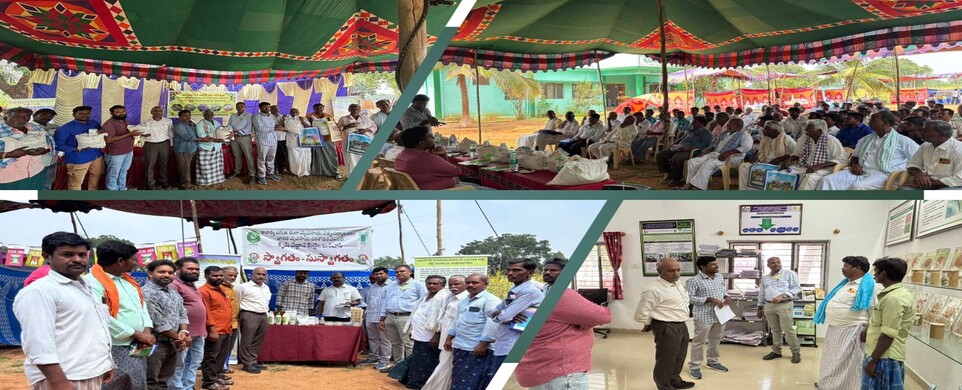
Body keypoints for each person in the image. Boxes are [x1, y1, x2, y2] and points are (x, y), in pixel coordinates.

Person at [14, 232, 113, 389]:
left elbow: (93, 330)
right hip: (65, 377)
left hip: (89, 373)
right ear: (47, 257)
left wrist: (105, 364)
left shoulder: (88, 287)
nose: (77, 259)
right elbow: (37, 342)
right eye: (67, 254)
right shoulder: (40, 291)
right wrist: (59, 382)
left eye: (82, 254)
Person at [515, 259, 612, 390]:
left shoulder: (538, 292)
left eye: (553, 270)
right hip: (561, 371)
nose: (548, 272)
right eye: (546, 270)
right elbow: (605, 316)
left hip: (538, 366)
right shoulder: (561, 295)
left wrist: (585, 320)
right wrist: (587, 320)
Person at [84, 240, 155, 390]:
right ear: (120, 261)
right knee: (118, 383)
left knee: (137, 382)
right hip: (114, 345)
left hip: (137, 344)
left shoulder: (129, 281)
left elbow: (142, 308)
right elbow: (100, 316)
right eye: (134, 259)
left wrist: (146, 331)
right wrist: (136, 334)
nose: (136, 263)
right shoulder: (92, 283)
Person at [814, 256, 879, 390]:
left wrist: (868, 330)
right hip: (836, 329)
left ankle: (846, 387)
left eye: (845, 266)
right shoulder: (846, 284)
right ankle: (828, 384)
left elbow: (875, 311)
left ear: (857, 268)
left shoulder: (870, 286)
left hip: (853, 330)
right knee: (832, 360)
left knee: (848, 362)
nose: (842, 269)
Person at [634, 258, 694, 390]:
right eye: (671, 271)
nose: (676, 273)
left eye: (678, 270)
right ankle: (664, 386)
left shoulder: (677, 284)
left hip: (681, 325)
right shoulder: (653, 289)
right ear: (659, 271)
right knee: (666, 360)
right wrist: (650, 323)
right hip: (666, 326)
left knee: (679, 356)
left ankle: (675, 380)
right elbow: (640, 314)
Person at [819, 112, 919, 190]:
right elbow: (855, 157)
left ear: (885, 123)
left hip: (884, 175)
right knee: (827, 180)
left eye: (873, 121)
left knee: (857, 187)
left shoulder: (903, 141)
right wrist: (855, 165)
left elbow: (917, 160)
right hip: (861, 171)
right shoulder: (865, 139)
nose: (869, 123)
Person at [488, 259, 545, 381]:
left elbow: (505, 316)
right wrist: (503, 314)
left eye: (516, 270)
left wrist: (504, 315)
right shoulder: (514, 291)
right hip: (504, 343)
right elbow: (491, 311)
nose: (510, 273)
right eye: (508, 270)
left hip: (513, 345)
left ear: (529, 273)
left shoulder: (529, 292)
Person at [862, 257, 914, 390]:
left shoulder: (893, 299)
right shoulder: (893, 294)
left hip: (884, 357)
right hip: (882, 355)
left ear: (883, 273)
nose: (873, 275)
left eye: (876, 271)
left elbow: (888, 334)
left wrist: (874, 360)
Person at [446, 273, 501, 390]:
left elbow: (493, 323)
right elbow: (457, 320)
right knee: (458, 377)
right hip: (461, 346)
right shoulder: (464, 301)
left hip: (477, 348)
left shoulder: (491, 300)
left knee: (473, 380)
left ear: (485, 284)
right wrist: (449, 337)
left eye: (475, 282)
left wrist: (483, 344)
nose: (471, 285)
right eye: (468, 282)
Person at [143, 260, 191, 390]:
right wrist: (179, 337)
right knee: (151, 381)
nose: (167, 275)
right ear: (150, 273)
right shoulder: (146, 293)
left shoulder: (174, 293)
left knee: (164, 380)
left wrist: (184, 333)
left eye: (170, 272)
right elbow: (158, 322)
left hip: (173, 342)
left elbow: (183, 313)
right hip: (155, 344)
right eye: (162, 272)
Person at [684, 257, 732, 381]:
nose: (717, 266)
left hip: (720, 314)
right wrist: (709, 299)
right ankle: (694, 366)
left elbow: (723, 291)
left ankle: (713, 361)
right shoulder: (693, 281)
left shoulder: (719, 277)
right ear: (703, 267)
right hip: (703, 316)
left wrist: (727, 297)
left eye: (716, 264)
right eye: (713, 265)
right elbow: (688, 298)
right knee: (699, 341)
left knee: (716, 339)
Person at [400, 275, 450, 389]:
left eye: (435, 283)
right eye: (429, 283)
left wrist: (437, 335)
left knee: (428, 362)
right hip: (419, 335)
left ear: (442, 285)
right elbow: (417, 315)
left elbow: (443, 319)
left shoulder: (444, 298)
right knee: (418, 361)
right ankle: (415, 382)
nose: (431, 285)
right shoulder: (424, 296)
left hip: (431, 337)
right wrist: (412, 330)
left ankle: (424, 385)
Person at [379, 265, 428, 371]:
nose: (399, 273)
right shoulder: (391, 286)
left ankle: (410, 368)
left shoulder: (417, 285)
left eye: (402, 271)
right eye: (397, 272)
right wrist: (382, 319)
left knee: (409, 344)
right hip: (390, 317)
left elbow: (425, 302)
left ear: (410, 272)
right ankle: (398, 366)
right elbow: (384, 303)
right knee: (396, 343)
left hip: (407, 318)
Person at [774, 120, 848, 190]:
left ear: (819, 131)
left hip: (825, 168)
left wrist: (819, 166)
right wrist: (788, 160)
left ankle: (801, 200)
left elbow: (841, 159)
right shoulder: (804, 138)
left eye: (809, 128)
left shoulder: (831, 140)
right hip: (805, 166)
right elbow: (797, 153)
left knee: (810, 179)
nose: (805, 129)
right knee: (784, 173)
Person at [680, 117, 752, 190]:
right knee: (693, 162)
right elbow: (714, 144)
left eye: (730, 124)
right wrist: (705, 151)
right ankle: (692, 184)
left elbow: (746, 147)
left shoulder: (744, 135)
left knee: (708, 164)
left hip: (731, 157)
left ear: (738, 126)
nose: (727, 125)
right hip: (716, 154)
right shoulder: (725, 133)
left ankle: (697, 187)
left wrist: (727, 153)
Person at [423, 275, 468, 390]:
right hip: (445, 339)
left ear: (465, 284)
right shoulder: (450, 297)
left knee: (447, 367)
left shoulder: (466, 299)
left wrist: (450, 338)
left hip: (456, 340)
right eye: (451, 284)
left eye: (457, 284)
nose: (453, 287)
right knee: (445, 365)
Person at [168, 258, 207, 390]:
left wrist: (203, 329)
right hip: (183, 334)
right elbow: (174, 311)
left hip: (198, 332)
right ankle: (176, 388)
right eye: (190, 269)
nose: (194, 271)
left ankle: (188, 387)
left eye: (196, 269)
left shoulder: (190, 284)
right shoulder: (174, 284)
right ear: (178, 269)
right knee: (179, 364)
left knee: (194, 363)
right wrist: (184, 331)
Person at [757, 257, 802, 363]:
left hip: (784, 305)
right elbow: (762, 293)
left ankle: (795, 352)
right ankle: (776, 351)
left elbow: (797, 288)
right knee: (775, 330)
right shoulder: (765, 278)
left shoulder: (789, 274)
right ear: (768, 265)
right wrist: (759, 307)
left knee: (788, 330)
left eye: (778, 262)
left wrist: (783, 295)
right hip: (769, 305)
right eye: (773, 263)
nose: (776, 264)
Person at [394, 126, 464, 190]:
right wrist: (443, 156)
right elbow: (456, 171)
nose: (433, 138)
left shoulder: (401, 156)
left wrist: (442, 157)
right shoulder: (426, 158)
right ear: (422, 143)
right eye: (430, 137)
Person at [0, 107, 53, 190]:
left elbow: (49, 144)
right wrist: (9, 154)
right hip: (7, 176)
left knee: (32, 200)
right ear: (5, 117)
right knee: (9, 201)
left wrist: (44, 151)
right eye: (15, 117)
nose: (21, 120)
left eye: (26, 117)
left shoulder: (36, 128)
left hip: (35, 172)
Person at [198, 267, 234, 390]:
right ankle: (209, 381)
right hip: (215, 330)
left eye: (220, 275)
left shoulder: (221, 289)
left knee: (221, 356)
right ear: (206, 276)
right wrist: (212, 330)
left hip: (226, 329)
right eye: (215, 276)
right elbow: (206, 313)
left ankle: (217, 376)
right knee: (211, 357)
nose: (218, 278)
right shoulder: (203, 291)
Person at [55, 106, 104, 190]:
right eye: (81, 114)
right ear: (73, 114)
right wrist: (77, 149)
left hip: (96, 155)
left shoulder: (94, 123)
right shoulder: (66, 128)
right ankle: (75, 201)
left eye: (87, 113)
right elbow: (59, 145)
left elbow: (100, 135)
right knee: (76, 183)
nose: (85, 115)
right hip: (78, 158)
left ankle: (92, 197)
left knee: (96, 176)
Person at [657, 116, 714, 187]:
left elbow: (705, 144)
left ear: (702, 123)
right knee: (661, 155)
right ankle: (670, 174)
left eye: (695, 122)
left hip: (693, 151)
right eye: (693, 121)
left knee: (677, 159)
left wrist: (690, 147)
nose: (692, 123)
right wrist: (674, 144)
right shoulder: (692, 131)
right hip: (680, 147)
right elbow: (682, 138)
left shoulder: (706, 133)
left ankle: (677, 180)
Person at [904, 120, 962, 190]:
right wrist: (919, 174)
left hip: (950, 185)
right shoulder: (926, 145)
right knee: (903, 190)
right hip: (926, 183)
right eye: (922, 130)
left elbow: (959, 178)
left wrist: (931, 183)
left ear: (941, 134)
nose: (921, 133)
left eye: (926, 131)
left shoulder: (958, 149)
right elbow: (913, 164)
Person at [739, 121, 796, 190]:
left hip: (780, 165)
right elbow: (759, 150)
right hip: (764, 162)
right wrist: (754, 155)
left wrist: (780, 159)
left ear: (775, 131)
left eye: (766, 129)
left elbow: (795, 154)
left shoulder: (787, 139)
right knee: (744, 167)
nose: (763, 130)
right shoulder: (766, 138)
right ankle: (745, 190)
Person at [236, 267, 271, 374]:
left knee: (258, 340)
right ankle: (247, 364)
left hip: (263, 315)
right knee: (247, 340)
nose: (261, 276)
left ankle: (253, 361)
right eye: (258, 274)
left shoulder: (266, 287)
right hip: (249, 314)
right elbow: (236, 302)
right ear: (252, 274)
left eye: (263, 275)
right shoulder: (243, 287)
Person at [101, 105, 141, 190]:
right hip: (116, 153)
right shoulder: (109, 124)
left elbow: (129, 132)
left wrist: (142, 133)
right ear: (111, 113)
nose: (121, 113)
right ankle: (111, 192)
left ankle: (122, 188)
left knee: (123, 171)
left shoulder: (124, 121)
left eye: (123, 112)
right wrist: (129, 134)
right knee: (113, 173)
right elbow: (108, 140)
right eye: (118, 112)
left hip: (128, 151)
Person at [133, 106, 174, 189]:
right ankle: (150, 183)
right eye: (155, 111)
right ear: (151, 112)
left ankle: (163, 181)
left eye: (160, 111)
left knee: (164, 164)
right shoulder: (145, 122)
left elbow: (171, 133)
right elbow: (138, 132)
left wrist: (171, 145)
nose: (158, 112)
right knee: (150, 165)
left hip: (164, 143)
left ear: (162, 112)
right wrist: (142, 135)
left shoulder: (168, 121)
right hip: (150, 144)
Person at [363, 267, 393, 367]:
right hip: (371, 316)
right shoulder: (372, 287)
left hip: (384, 318)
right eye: (376, 274)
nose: (378, 276)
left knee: (385, 340)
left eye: (381, 274)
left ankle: (384, 360)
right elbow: (369, 302)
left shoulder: (393, 286)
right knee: (372, 339)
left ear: (387, 274)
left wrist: (384, 318)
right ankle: (373, 357)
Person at [306, 103, 341, 180]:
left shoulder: (328, 116)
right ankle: (317, 171)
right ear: (313, 109)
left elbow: (334, 126)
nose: (319, 109)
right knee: (317, 155)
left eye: (321, 107)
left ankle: (333, 171)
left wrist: (330, 122)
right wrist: (310, 121)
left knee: (331, 155)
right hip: (316, 139)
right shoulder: (309, 116)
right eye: (317, 108)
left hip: (328, 138)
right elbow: (306, 127)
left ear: (323, 108)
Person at [27, 108, 59, 189]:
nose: (46, 117)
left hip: (51, 161)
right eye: (42, 115)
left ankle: (44, 199)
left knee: (48, 182)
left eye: (50, 116)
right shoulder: (26, 128)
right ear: (34, 116)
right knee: (33, 183)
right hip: (35, 162)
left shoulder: (55, 127)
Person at [253, 102, 282, 185]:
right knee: (261, 158)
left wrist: (275, 127)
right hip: (263, 141)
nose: (267, 108)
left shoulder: (272, 116)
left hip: (273, 140)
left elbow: (275, 126)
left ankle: (270, 173)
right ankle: (261, 176)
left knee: (271, 158)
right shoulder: (256, 117)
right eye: (265, 107)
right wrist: (274, 128)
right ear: (260, 108)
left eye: (268, 107)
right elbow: (260, 128)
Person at [220, 267, 241, 376]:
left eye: (235, 276)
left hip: (233, 324)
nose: (232, 277)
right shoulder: (219, 288)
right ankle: (217, 373)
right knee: (220, 350)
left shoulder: (232, 289)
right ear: (222, 274)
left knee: (227, 348)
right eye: (229, 275)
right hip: (223, 325)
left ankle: (224, 368)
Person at [195, 110, 226, 187]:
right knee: (205, 167)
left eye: (211, 114)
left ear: (213, 115)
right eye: (207, 114)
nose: (209, 115)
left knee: (217, 165)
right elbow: (201, 135)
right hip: (205, 147)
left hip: (217, 146)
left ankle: (217, 179)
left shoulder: (216, 123)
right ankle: (205, 182)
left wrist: (222, 136)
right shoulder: (200, 124)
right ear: (204, 115)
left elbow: (221, 132)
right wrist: (215, 138)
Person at [226, 102, 255, 183]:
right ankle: (237, 171)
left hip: (245, 137)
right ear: (236, 108)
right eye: (238, 106)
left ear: (245, 107)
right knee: (237, 155)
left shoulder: (249, 115)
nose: (239, 108)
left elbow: (248, 128)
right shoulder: (233, 115)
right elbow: (229, 125)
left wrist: (234, 132)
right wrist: (228, 131)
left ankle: (252, 174)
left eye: (242, 106)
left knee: (248, 156)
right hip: (234, 138)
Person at [171, 110, 198, 190]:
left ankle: (190, 181)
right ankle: (185, 184)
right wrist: (203, 139)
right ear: (179, 117)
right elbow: (187, 137)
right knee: (184, 167)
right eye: (185, 116)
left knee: (190, 167)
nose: (187, 117)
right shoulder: (178, 126)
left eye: (189, 115)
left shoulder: (192, 124)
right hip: (183, 150)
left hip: (192, 149)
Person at [282, 108, 312, 177]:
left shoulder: (303, 118)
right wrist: (298, 130)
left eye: (296, 111)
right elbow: (288, 128)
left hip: (303, 140)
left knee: (305, 157)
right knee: (293, 157)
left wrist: (303, 121)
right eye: (292, 111)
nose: (294, 112)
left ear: (299, 112)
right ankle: (294, 171)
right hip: (292, 141)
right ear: (290, 112)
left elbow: (309, 126)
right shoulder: (287, 119)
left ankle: (305, 171)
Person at [270, 105, 289, 176]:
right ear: (270, 110)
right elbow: (267, 127)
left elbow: (288, 127)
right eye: (273, 109)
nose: (276, 109)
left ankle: (283, 168)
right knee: (273, 154)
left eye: (277, 108)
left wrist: (283, 125)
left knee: (282, 154)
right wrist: (276, 127)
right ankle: (275, 169)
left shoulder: (283, 117)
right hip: (272, 138)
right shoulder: (269, 117)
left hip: (282, 138)